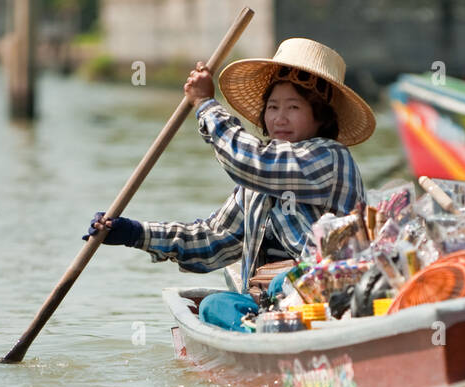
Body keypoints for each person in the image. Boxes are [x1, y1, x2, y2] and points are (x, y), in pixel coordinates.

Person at [84, 39, 376, 311]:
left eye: (294, 107)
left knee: (274, 286)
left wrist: (206, 106)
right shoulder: (256, 186)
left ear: (320, 117)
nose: (279, 118)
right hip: (274, 309)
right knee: (216, 306)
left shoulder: (330, 158)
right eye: (273, 107)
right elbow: (211, 241)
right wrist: (134, 233)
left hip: (328, 299)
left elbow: (251, 163)